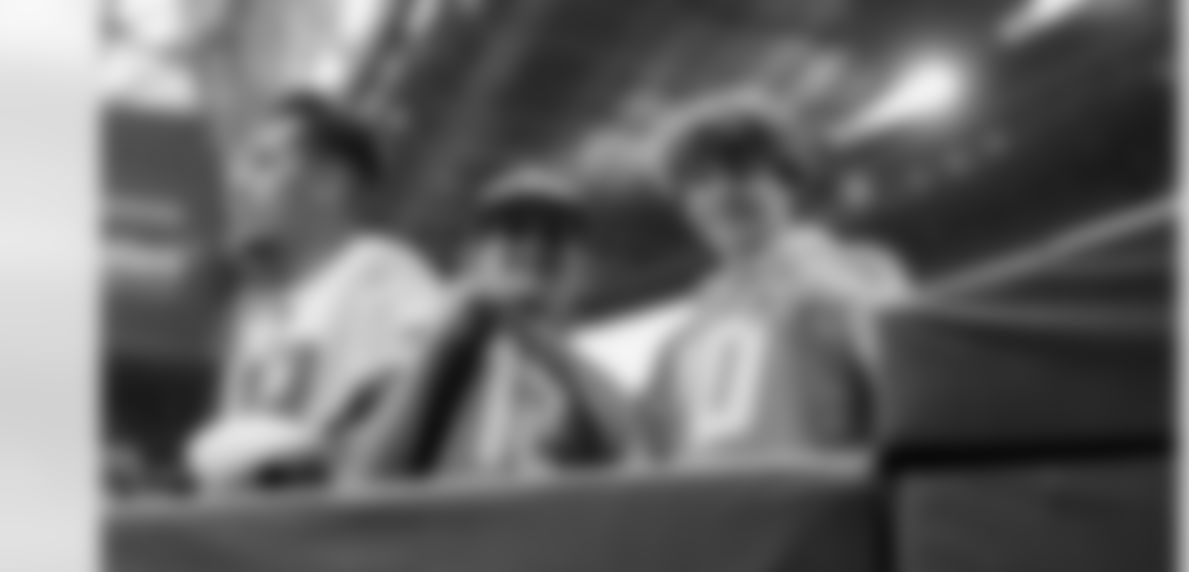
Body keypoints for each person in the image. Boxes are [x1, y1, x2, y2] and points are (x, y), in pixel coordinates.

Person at [184, 92, 458, 496]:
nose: (238, 185)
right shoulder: (254, 307)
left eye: (264, 163)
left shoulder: (383, 276)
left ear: (329, 183)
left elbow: (420, 436)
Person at [643, 97, 916, 467]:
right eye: (700, 180)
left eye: (740, 170)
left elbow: (912, 384)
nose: (722, 193)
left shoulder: (859, 269)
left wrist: (822, 278)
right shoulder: (679, 341)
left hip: (827, 497)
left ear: (787, 182)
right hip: (720, 503)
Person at [356, 166, 640, 484]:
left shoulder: (597, 390)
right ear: (470, 258)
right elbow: (363, 481)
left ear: (585, 272)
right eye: (513, 229)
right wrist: (450, 332)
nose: (534, 246)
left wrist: (532, 331)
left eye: (555, 235)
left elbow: (647, 458)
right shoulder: (410, 367)